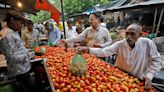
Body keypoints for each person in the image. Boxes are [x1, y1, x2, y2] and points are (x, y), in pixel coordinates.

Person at [78, 23, 163, 90]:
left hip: (138, 80)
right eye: (127, 34)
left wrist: (150, 76)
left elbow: (157, 60)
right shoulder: (120, 44)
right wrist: (88, 50)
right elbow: (104, 52)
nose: (129, 37)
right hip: (119, 78)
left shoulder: (147, 43)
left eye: (132, 34)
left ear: (140, 34)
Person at [0, 10, 36, 92]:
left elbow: (18, 49)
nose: (21, 26)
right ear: (12, 20)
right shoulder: (6, 35)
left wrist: (29, 50)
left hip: (23, 68)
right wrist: (30, 55)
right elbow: (13, 57)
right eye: (20, 23)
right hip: (20, 71)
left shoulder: (13, 32)